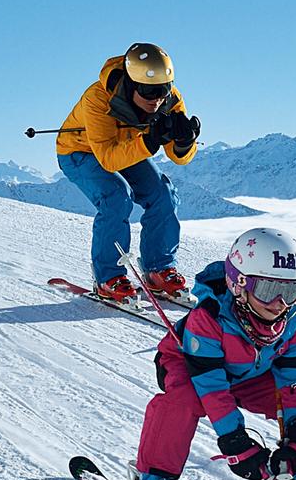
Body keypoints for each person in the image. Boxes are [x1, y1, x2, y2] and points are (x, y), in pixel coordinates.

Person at [130, 226, 296, 480]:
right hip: (189, 366)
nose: (279, 303)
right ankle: (153, 479)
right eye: (267, 290)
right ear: (239, 284)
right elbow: (211, 386)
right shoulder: (207, 318)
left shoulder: (292, 324)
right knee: (184, 400)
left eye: (290, 291)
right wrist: (236, 441)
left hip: (249, 374)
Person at [56, 43, 202, 303]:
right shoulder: (98, 98)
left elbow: (179, 158)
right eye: (148, 90)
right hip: (80, 151)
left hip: (129, 148)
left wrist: (183, 143)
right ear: (132, 83)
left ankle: (159, 269)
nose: (156, 98)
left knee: (164, 194)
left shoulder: (170, 100)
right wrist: (149, 142)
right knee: (116, 196)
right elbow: (109, 159)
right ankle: (107, 277)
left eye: (163, 89)